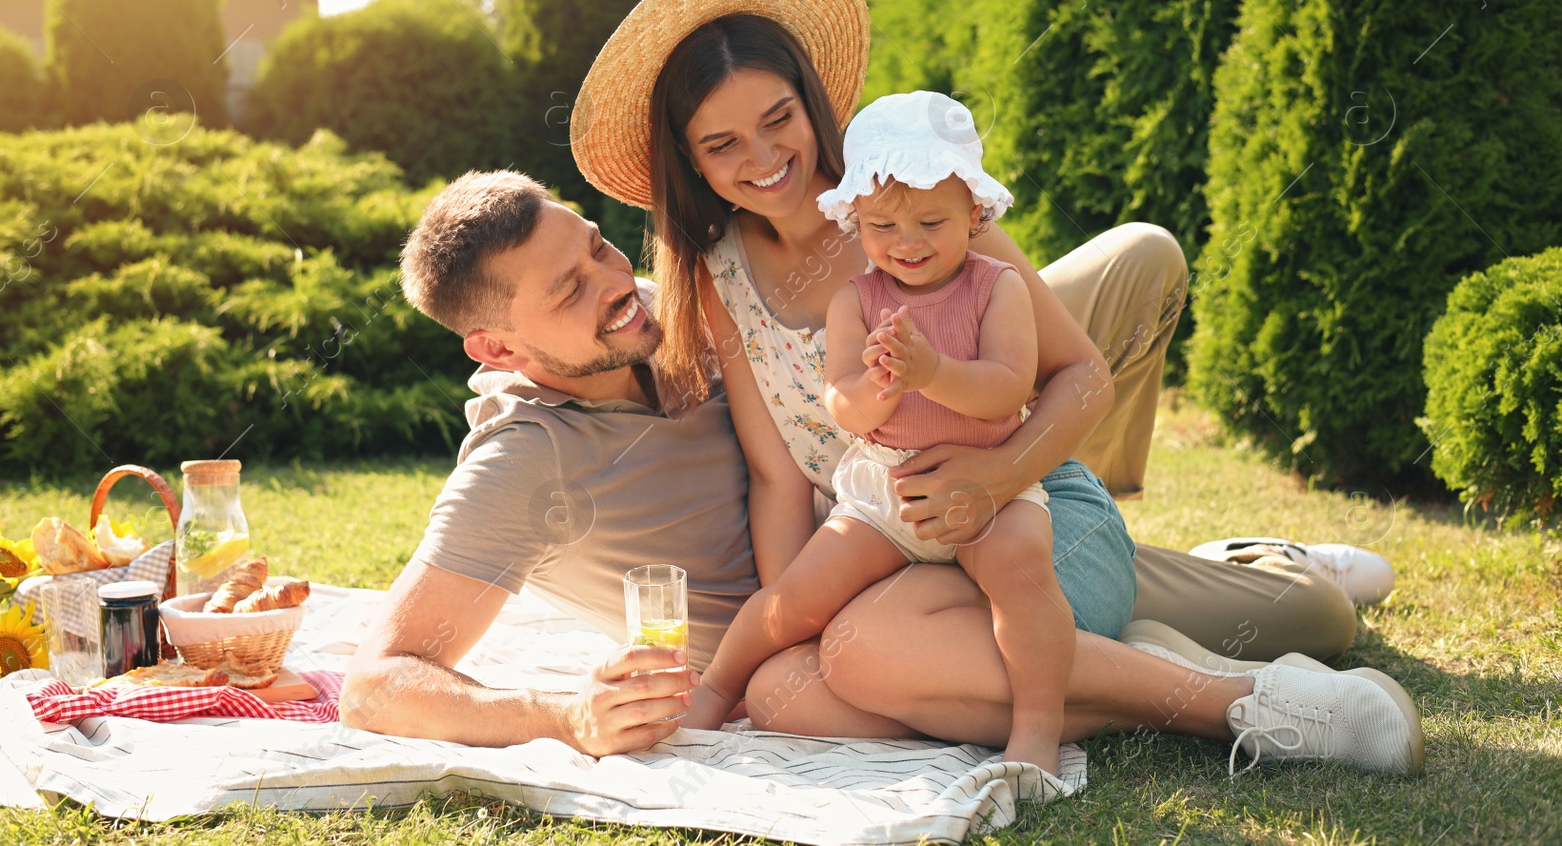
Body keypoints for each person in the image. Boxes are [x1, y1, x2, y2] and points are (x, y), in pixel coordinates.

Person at [563, 0, 1420, 774]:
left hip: (1019, 512)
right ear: (690, 159)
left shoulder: (913, 211)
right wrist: (794, 630)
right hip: (890, 542)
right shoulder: (719, 280)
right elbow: (780, 479)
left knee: (1320, 612)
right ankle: (1120, 663)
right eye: (721, 145)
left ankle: (1244, 699)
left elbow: (1081, 374)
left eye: (776, 118)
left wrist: (995, 475)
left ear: (811, 101)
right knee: (794, 690)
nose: (761, 158)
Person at [340, 168, 1424, 782]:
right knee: (1315, 614)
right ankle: (1217, 647)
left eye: (598, 249)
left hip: (949, 486)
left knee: (1139, 254)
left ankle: (1120, 542)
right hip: (884, 580)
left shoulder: (692, 304)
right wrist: (559, 709)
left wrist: (1004, 444)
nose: (615, 285)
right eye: (567, 292)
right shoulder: (524, 462)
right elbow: (379, 675)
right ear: (496, 348)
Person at [683, 90, 1084, 778]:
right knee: (796, 597)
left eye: (932, 220)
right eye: (881, 226)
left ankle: (1036, 729)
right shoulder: (858, 301)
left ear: (975, 212)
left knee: (1024, 577)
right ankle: (716, 688)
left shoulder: (997, 287)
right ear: (855, 221)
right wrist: (879, 388)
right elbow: (844, 403)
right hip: (881, 492)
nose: (909, 243)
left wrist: (932, 371)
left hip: (989, 489)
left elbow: (1008, 388)